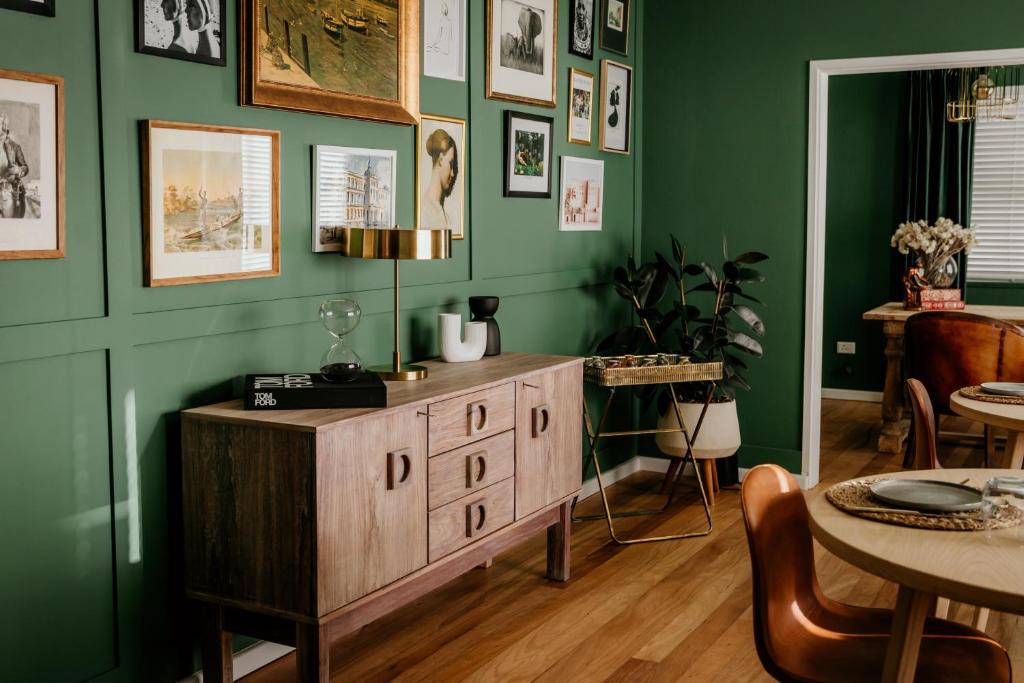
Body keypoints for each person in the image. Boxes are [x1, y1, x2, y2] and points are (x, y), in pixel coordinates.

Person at [420, 128, 458, 231]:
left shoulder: (446, 216)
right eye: (450, 164)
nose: (453, 173)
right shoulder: (424, 209)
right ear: (441, 160)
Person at [0, 114, 28, 219]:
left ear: (5, 126)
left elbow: (25, 167)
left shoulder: (14, 146)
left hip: (7, 193)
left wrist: (18, 170)